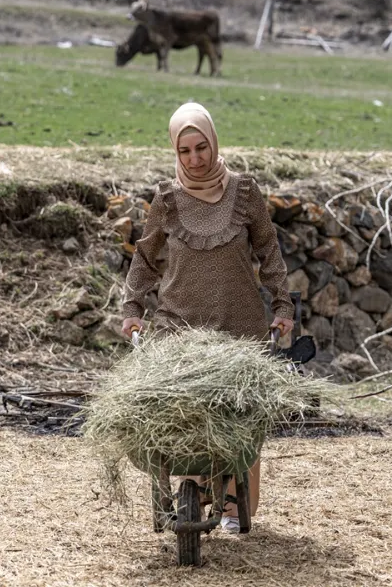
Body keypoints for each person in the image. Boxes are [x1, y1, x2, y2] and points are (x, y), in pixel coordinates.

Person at [120, 101, 295, 533]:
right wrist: (132, 307)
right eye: (185, 151)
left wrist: (283, 305)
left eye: (202, 147)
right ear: (175, 152)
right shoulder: (166, 200)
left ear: (214, 143)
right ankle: (192, 498)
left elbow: (269, 251)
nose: (196, 159)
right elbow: (145, 258)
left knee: (238, 422)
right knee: (189, 421)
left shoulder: (245, 192)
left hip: (239, 327)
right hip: (180, 328)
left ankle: (236, 506)